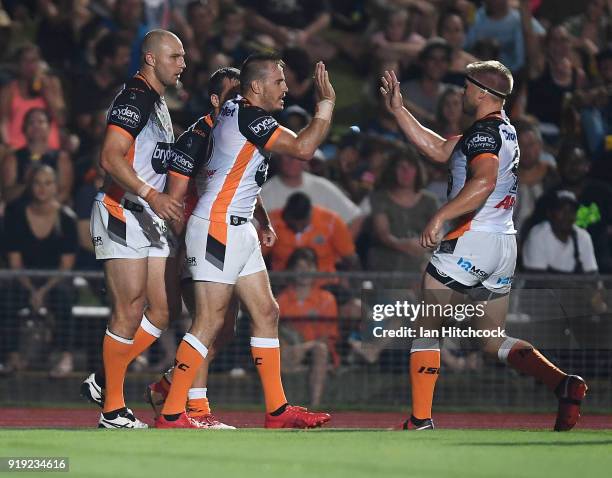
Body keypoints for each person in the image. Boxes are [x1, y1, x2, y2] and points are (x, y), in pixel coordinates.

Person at [380, 60, 587, 431]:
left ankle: (420, 419)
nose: (462, 93)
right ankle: (563, 383)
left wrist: (440, 216)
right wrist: (399, 110)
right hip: (503, 245)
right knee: (491, 340)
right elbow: (440, 150)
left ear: (482, 91)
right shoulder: (500, 130)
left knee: (427, 325)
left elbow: (484, 182)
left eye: (466, 86)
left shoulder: (483, 136)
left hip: (471, 239)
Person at [155, 52, 335, 429]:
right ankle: (172, 410)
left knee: (266, 313)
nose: (286, 88)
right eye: (279, 82)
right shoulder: (250, 115)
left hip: (239, 228)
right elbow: (303, 149)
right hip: (218, 226)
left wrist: (261, 219)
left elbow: (243, 179)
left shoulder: (238, 111)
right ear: (256, 86)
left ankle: (277, 410)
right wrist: (326, 105)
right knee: (209, 321)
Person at [88, 29, 185, 429]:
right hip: (122, 209)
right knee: (128, 309)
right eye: (175, 56)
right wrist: (152, 194)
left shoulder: (157, 101)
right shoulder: (135, 97)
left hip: (148, 215)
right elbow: (108, 158)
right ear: (151, 59)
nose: (183, 64)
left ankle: (102, 377)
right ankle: (112, 409)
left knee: (163, 309)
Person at [2, 164, 78, 377]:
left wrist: (43, 291)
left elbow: (66, 266)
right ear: (30, 186)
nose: (42, 188)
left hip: (55, 282)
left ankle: (65, 357)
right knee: (7, 300)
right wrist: (31, 289)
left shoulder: (66, 218)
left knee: (63, 300)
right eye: (37, 183)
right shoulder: (16, 215)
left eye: (47, 183)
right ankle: (12, 357)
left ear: (55, 186)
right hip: (24, 280)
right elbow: (15, 262)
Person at [277, 248, 340, 407]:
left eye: (309, 267)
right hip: (291, 349)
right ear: (292, 270)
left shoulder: (326, 299)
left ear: (316, 270)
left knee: (320, 349)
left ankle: (315, 405)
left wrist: (308, 346)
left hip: (317, 350)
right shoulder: (281, 299)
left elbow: (327, 337)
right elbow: (277, 333)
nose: (304, 272)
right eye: (300, 267)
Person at [1, 107, 73, 205]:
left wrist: (42, 211)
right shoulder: (12, 158)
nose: (36, 126)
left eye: (41, 122)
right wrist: (28, 182)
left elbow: (64, 193)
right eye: (31, 122)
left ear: (49, 128)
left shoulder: (61, 158)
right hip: (20, 212)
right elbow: (7, 195)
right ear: (24, 128)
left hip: (52, 213)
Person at [523, 190, 598, 274]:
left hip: (576, 287)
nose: (567, 215)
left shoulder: (583, 237)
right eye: (561, 210)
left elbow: (592, 275)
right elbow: (537, 279)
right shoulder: (537, 235)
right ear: (550, 213)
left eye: (571, 211)